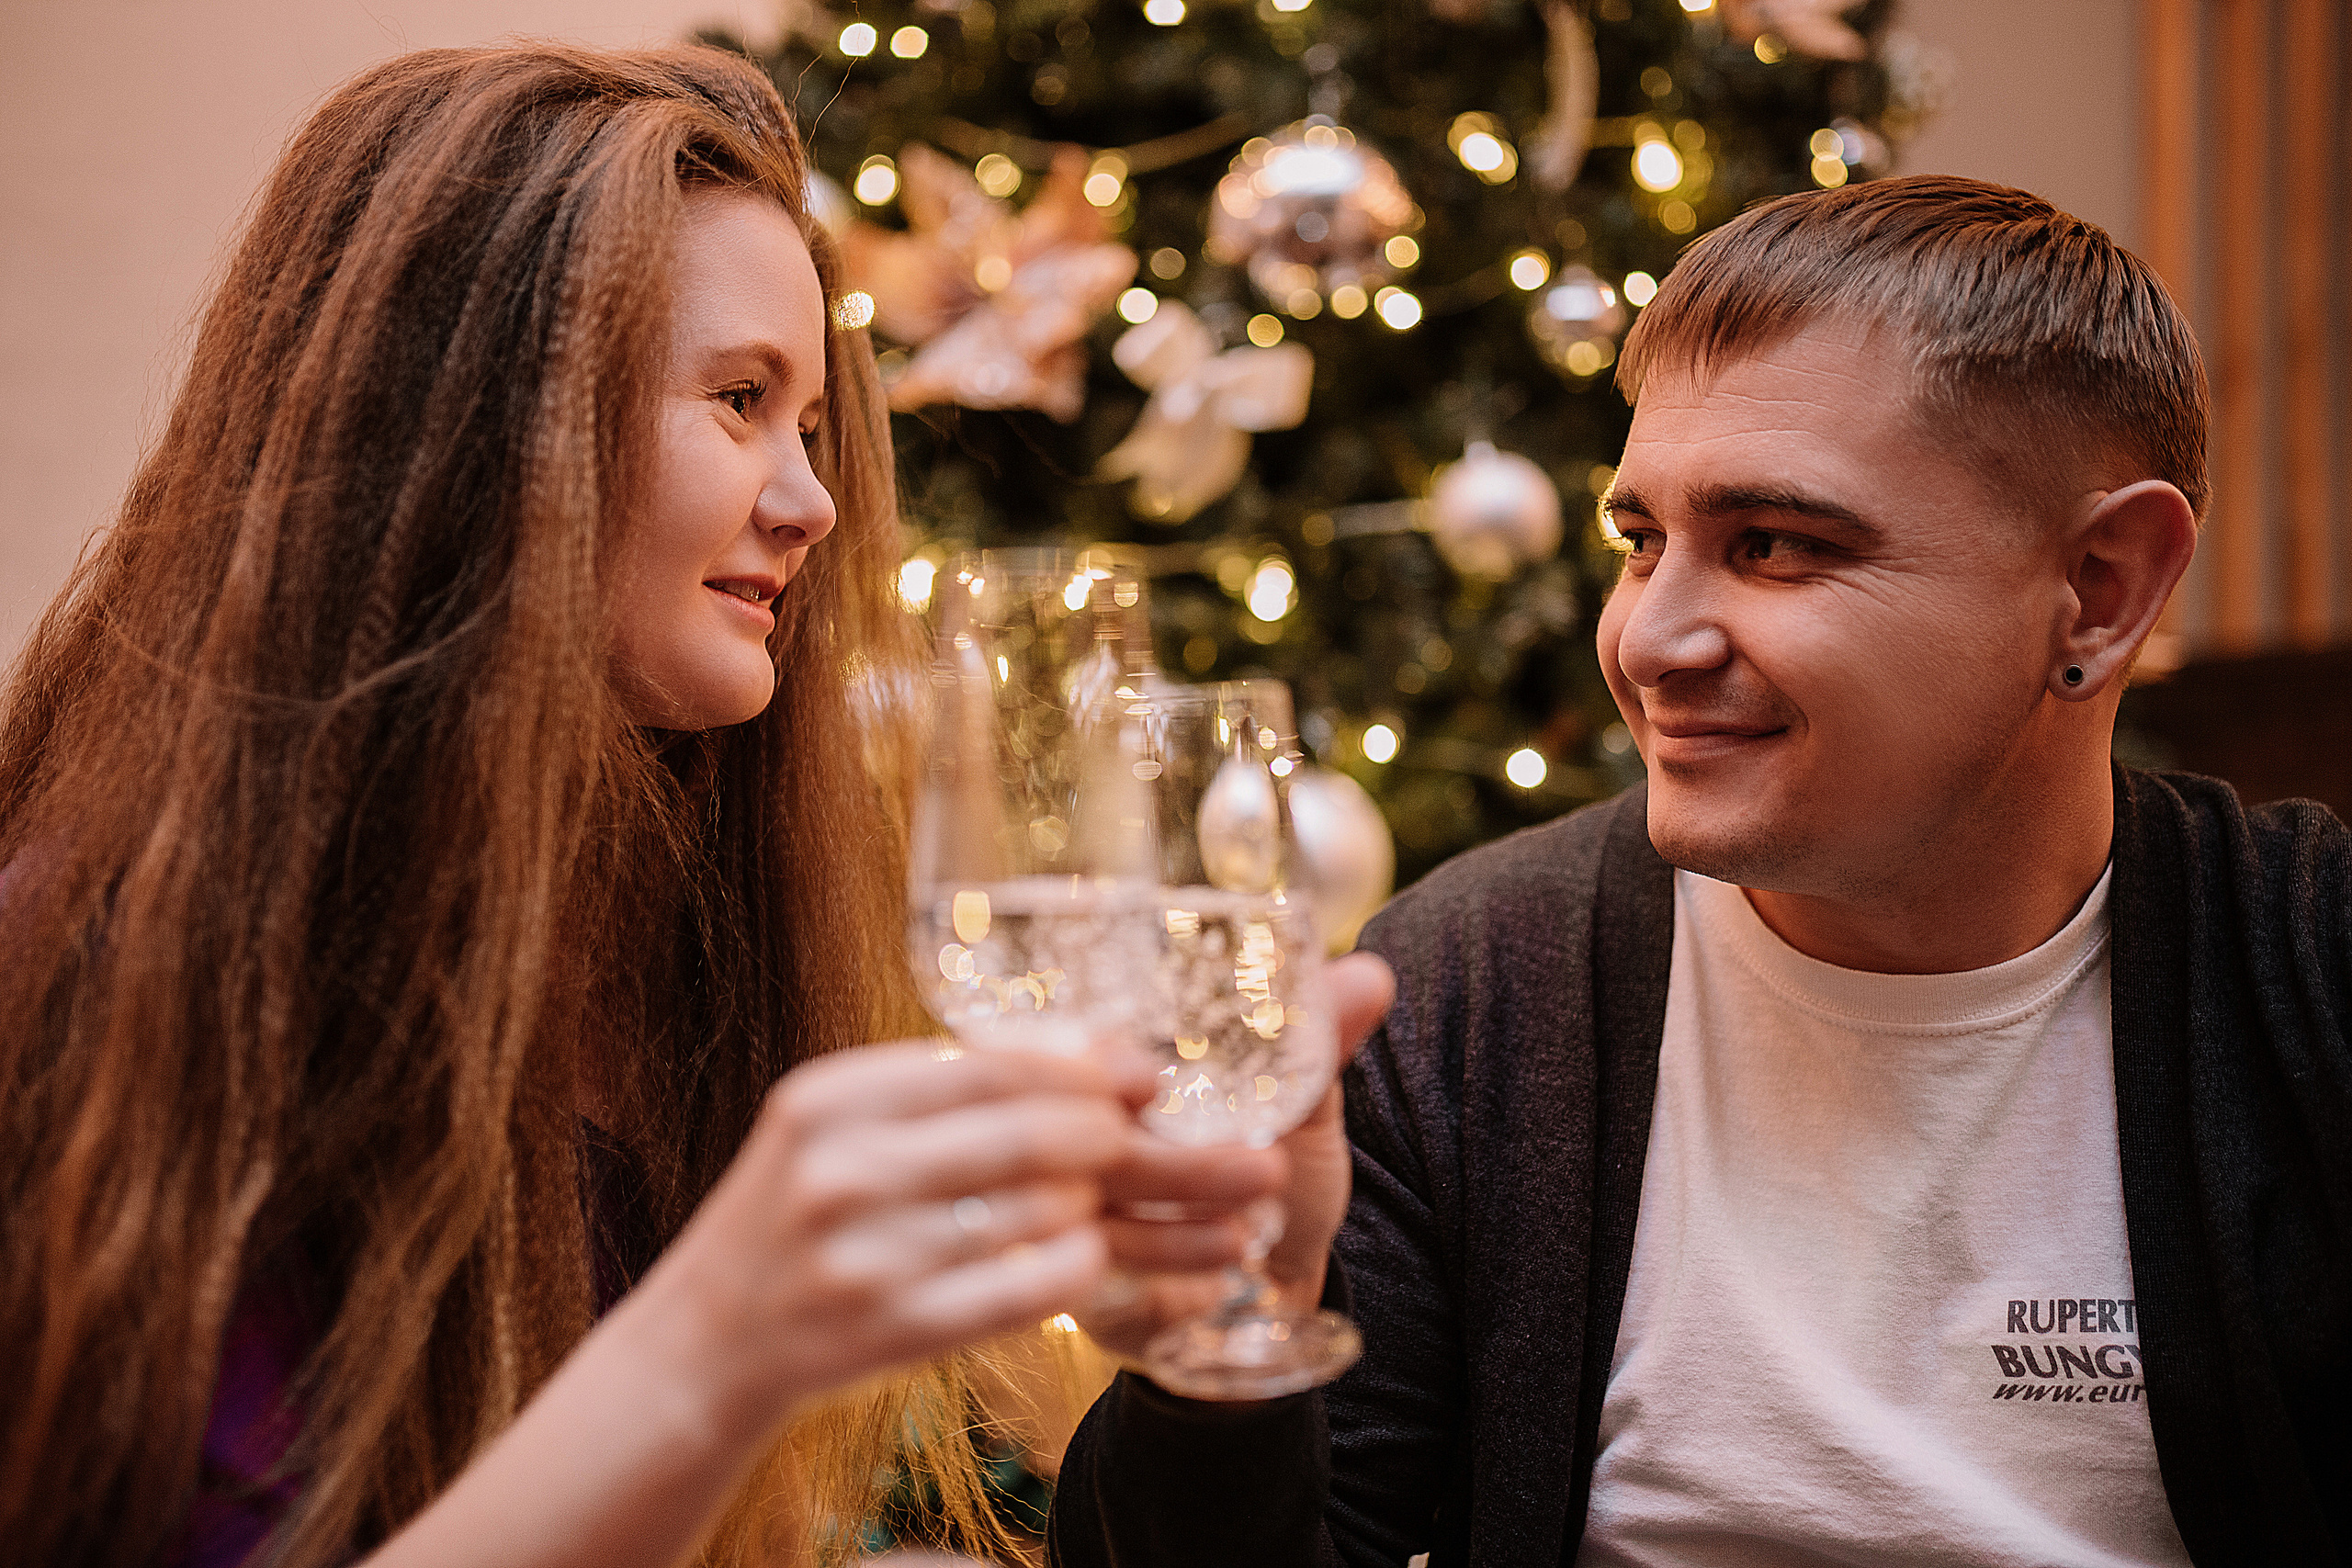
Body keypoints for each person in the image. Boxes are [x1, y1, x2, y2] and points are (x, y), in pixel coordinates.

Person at [0, 44, 1397, 1568]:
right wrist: (718, 1345)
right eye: (740, 400)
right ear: (476, 420)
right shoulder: (98, 979)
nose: (815, 503)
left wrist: (1200, 1372)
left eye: (808, 424)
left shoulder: (673, 942)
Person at [1048, 176, 2352, 1566]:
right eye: (1640, 543)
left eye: (1774, 545)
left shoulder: (2310, 974)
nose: (1650, 641)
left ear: (2100, 585)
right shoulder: (1476, 993)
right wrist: (1211, 1382)